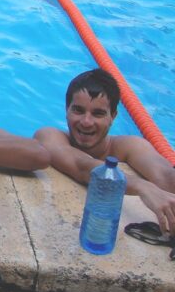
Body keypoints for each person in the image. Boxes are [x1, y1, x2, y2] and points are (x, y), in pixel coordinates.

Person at [35, 69, 175, 233]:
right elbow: (83, 166)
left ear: (113, 117)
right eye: (78, 110)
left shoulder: (131, 145)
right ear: (67, 110)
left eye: (98, 113)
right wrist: (143, 187)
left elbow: (165, 175)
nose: (86, 122)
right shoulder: (48, 136)